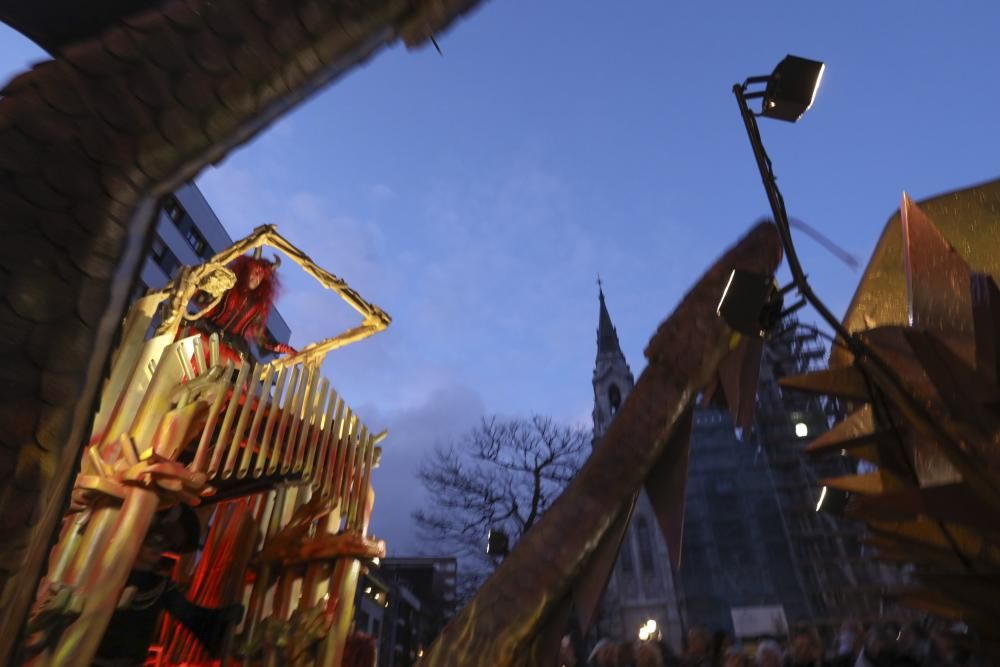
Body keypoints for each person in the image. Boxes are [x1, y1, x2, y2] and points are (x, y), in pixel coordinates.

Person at [92, 505, 242, 667]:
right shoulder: (106, 573)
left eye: (165, 539)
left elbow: (191, 615)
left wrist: (222, 620)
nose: (159, 544)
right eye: (152, 537)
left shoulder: (159, 585)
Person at [185, 249, 296, 364]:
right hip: (208, 330)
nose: (257, 278)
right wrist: (193, 288)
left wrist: (283, 348)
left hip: (233, 346)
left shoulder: (257, 306)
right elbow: (204, 298)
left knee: (235, 371)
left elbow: (260, 337)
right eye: (255, 272)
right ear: (247, 270)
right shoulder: (228, 287)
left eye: (261, 276)